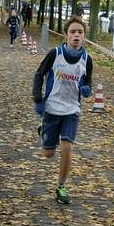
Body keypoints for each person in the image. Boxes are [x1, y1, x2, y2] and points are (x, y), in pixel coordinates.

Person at [32, 16, 93, 204]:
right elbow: (39, 73)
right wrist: (37, 96)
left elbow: (88, 80)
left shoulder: (86, 59)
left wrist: (87, 89)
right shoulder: (55, 53)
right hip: (52, 107)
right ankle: (43, 130)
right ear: (65, 35)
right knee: (48, 154)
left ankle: (61, 186)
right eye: (73, 32)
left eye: (80, 32)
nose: (76, 35)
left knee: (67, 147)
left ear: (84, 36)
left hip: (72, 109)